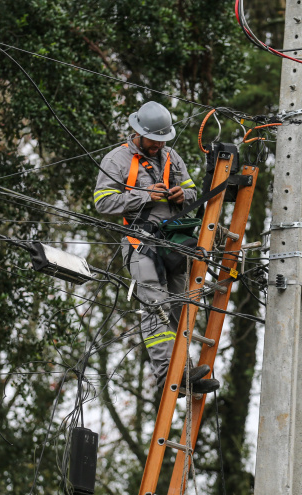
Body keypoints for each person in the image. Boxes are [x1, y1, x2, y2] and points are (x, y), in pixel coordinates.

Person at [93, 101, 219, 397]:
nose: (157, 146)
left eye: (162, 141)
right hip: (140, 244)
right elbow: (102, 202)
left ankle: (184, 372)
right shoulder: (117, 160)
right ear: (138, 133)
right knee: (156, 310)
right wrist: (143, 196)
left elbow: (192, 193)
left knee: (180, 308)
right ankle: (168, 377)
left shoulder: (171, 157)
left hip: (173, 243)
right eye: (153, 141)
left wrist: (180, 196)